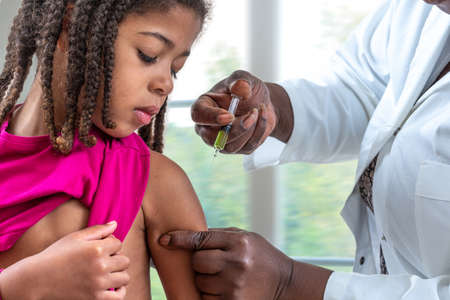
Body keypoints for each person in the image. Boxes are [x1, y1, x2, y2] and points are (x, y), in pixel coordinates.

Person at [159, 0, 450, 299]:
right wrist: (274, 110)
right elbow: (365, 90)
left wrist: (289, 283)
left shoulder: (160, 179)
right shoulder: (419, 10)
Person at [0, 0, 211, 299]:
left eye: (175, 69)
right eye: (148, 55)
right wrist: (19, 285)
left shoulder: (158, 184)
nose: (166, 84)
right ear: (69, 27)